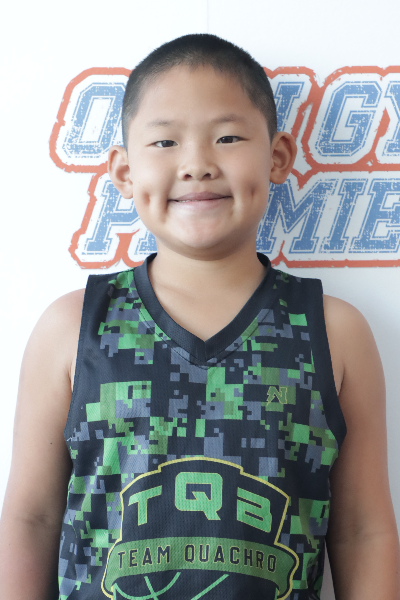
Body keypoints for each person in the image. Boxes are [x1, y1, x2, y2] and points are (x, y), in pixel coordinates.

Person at [0, 34, 398, 600]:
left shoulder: (334, 331)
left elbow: (363, 530)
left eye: (227, 137)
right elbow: (31, 517)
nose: (196, 165)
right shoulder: (73, 327)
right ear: (124, 172)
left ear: (277, 157)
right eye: (165, 141)